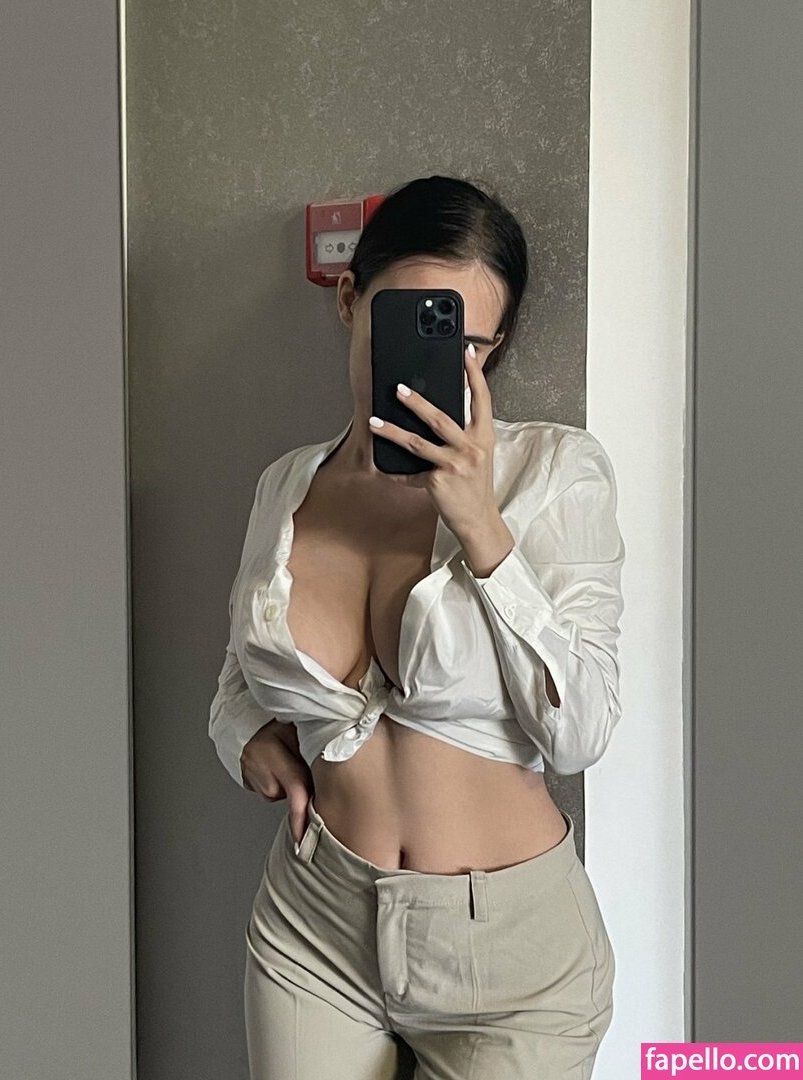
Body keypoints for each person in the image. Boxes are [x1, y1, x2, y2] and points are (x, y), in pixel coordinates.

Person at [209, 174, 626, 1079]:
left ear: (493, 346)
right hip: (314, 924)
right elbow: (241, 664)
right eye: (404, 320)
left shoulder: (556, 473)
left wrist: (483, 530)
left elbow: (582, 732)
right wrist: (242, 734)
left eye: (464, 340)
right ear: (349, 301)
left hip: (511, 961)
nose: (428, 360)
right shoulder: (286, 485)